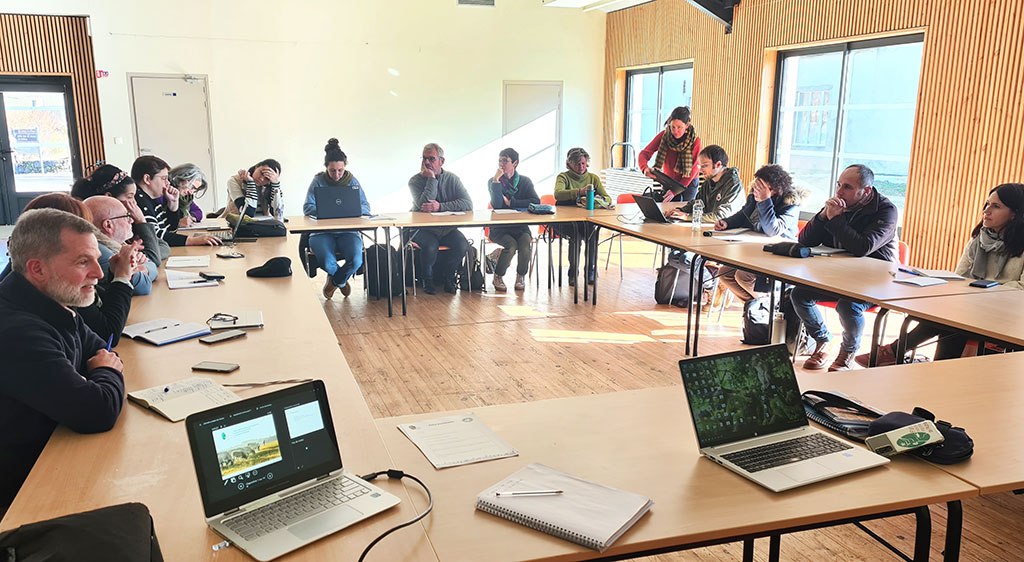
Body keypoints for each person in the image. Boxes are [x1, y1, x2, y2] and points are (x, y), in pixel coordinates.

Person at [0, 208, 126, 511]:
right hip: (21, 494)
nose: (98, 272)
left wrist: (98, 374)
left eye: (96, 259)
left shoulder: (52, 303)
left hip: (52, 454)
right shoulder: (15, 329)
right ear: (38, 269)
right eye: (83, 262)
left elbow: (102, 351)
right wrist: (103, 375)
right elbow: (96, 411)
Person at [856, 183, 1024, 367]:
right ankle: (911, 360)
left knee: (952, 321)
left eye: (996, 206)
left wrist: (983, 289)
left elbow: (1021, 288)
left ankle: (895, 352)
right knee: (946, 318)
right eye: (987, 204)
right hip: (973, 307)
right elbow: (961, 276)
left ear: (1015, 213)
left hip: (1009, 313)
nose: (986, 210)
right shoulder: (979, 239)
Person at [791, 164, 899, 371]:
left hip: (876, 280)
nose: (839, 192)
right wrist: (823, 217)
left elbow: (862, 247)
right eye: (838, 185)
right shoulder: (837, 206)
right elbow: (804, 240)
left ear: (865, 191)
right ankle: (822, 340)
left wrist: (836, 219)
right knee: (799, 294)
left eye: (847, 187)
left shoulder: (886, 211)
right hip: (839, 275)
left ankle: (848, 352)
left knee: (848, 305)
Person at [0, 194, 138, 346]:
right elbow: (107, 333)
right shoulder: (24, 322)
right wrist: (122, 277)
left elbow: (100, 320)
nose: (98, 273)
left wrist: (116, 274)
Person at [715, 164, 803, 304]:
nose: (756, 190)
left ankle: (769, 305)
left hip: (780, 254)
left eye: (761, 187)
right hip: (756, 250)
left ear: (773, 189)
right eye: (756, 185)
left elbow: (772, 230)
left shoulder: (790, 203)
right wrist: (726, 223)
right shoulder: (754, 198)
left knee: (743, 276)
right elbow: (743, 215)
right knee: (724, 273)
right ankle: (756, 308)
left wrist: (765, 201)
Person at [303, 139, 371, 299]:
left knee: (356, 260)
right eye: (332, 171)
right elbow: (307, 207)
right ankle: (341, 281)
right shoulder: (318, 181)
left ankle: (336, 281)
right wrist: (328, 210)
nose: (337, 174)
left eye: (340, 170)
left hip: (348, 231)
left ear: (345, 166)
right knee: (327, 262)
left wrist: (351, 210)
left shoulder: (352, 181)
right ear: (326, 168)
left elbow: (366, 207)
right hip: (321, 232)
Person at [406, 143, 472, 295]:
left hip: (446, 229)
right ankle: (427, 280)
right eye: (424, 159)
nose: (427, 163)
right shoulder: (415, 181)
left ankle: (448, 277)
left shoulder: (452, 179)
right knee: (430, 246)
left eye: (431, 159)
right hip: (423, 229)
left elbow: (468, 203)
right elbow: (424, 204)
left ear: (441, 161)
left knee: (462, 245)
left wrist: (440, 207)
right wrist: (432, 180)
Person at [131, 155, 220, 247]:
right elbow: (155, 236)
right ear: (147, 179)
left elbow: (169, 228)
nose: (168, 183)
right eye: (164, 178)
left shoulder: (151, 199)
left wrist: (173, 204)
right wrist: (192, 240)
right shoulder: (139, 200)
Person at [553, 147, 609, 285]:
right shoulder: (563, 177)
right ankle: (573, 272)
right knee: (576, 238)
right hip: (566, 221)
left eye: (583, 163)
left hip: (586, 221)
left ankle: (590, 270)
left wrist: (599, 200)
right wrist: (579, 192)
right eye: (577, 164)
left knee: (592, 236)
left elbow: (607, 198)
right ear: (570, 164)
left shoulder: (593, 178)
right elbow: (558, 194)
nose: (581, 167)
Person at [83, 195, 159, 296]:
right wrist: (139, 267)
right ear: (108, 225)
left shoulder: (117, 244)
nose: (131, 220)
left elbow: (152, 264)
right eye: (126, 216)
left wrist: (140, 268)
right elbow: (143, 286)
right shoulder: (99, 251)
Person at [487, 148, 540, 292]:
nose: (501, 164)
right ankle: (498, 276)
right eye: (499, 160)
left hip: (520, 227)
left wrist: (512, 203)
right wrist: (496, 181)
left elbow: (536, 202)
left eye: (505, 160)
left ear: (515, 163)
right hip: (499, 228)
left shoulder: (524, 182)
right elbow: (497, 205)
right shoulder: (493, 182)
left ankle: (520, 277)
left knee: (524, 246)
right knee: (511, 246)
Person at [638, 106, 701, 202]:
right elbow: (644, 153)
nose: (675, 131)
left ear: (687, 125)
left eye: (679, 127)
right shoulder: (664, 136)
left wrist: (675, 191)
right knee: (666, 211)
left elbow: (694, 169)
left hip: (688, 183)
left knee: (683, 212)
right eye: (673, 127)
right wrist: (644, 168)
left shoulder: (695, 141)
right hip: (668, 181)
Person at [666, 144, 742, 221]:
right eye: (700, 166)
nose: (700, 170)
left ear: (718, 164)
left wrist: (687, 216)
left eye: (705, 165)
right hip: (711, 228)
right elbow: (697, 203)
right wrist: (680, 211)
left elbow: (721, 215)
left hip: (728, 231)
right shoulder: (708, 181)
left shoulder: (733, 184)